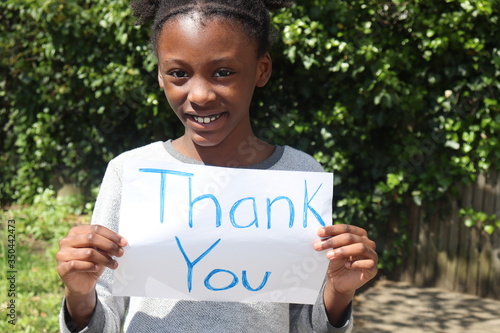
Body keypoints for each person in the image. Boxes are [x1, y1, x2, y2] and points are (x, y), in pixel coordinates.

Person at [56, 0, 378, 332]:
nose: (200, 95)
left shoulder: (299, 176)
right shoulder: (131, 172)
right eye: (178, 73)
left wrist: (338, 293)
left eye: (223, 72)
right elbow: (102, 317)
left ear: (261, 69)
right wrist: (79, 296)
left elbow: (305, 325)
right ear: (159, 75)